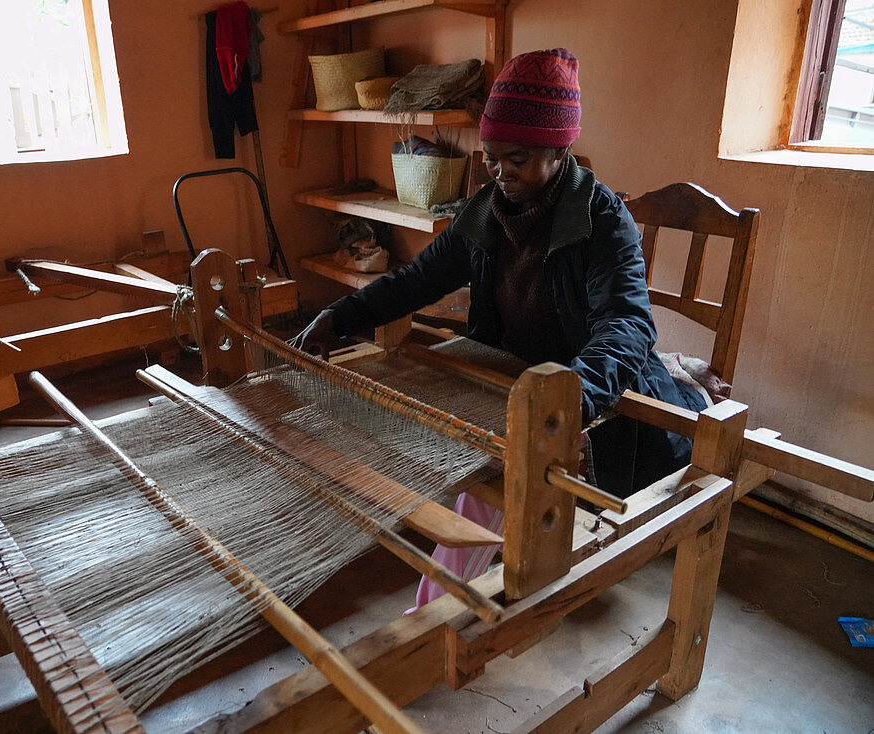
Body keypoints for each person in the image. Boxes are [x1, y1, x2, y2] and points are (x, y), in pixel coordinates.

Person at [289, 48, 708, 606]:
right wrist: (340, 317)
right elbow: (418, 279)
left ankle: (431, 618)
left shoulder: (604, 220)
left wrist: (566, 400)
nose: (502, 174)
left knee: (497, 478)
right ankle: (439, 603)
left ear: (560, 152)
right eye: (491, 159)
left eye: (518, 161)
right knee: (469, 459)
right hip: (517, 376)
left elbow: (627, 323)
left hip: (590, 397)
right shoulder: (485, 211)